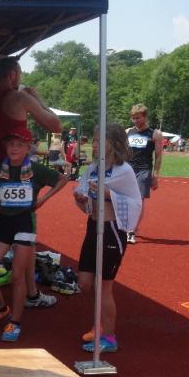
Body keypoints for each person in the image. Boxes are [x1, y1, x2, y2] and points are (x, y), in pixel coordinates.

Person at [0, 58, 61, 303]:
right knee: (24, 233)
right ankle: (31, 293)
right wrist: (37, 99)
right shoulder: (20, 98)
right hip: (18, 173)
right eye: (19, 73)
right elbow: (56, 126)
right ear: (12, 74)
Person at [0, 129, 68, 342]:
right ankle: (1, 308)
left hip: (24, 224)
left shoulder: (35, 169)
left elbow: (62, 179)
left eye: (19, 145)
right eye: (11, 144)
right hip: (4, 225)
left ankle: (15, 322)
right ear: (5, 147)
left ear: (28, 148)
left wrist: (43, 199)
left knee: (18, 275)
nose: (14, 149)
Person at [74, 123, 142, 353]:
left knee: (104, 286)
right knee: (85, 282)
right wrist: (81, 198)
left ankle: (109, 336)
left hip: (112, 230)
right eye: (94, 140)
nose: (93, 145)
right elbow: (84, 192)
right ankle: (99, 322)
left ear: (113, 143)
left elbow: (134, 202)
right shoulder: (94, 167)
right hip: (93, 227)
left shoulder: (124, 171)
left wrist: (106, 193)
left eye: (98, 140)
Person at [125, 103, 163, 244]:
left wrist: (155, 176)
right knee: (125, 200)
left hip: (143, 170)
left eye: (138, 118)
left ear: (145, 117)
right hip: (127, 170)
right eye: (133, 118)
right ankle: (128, 225)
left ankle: (131, 231)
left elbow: (158, 156)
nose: (135, 121)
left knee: (138, 201)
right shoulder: (127, 132)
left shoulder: (155, 134)